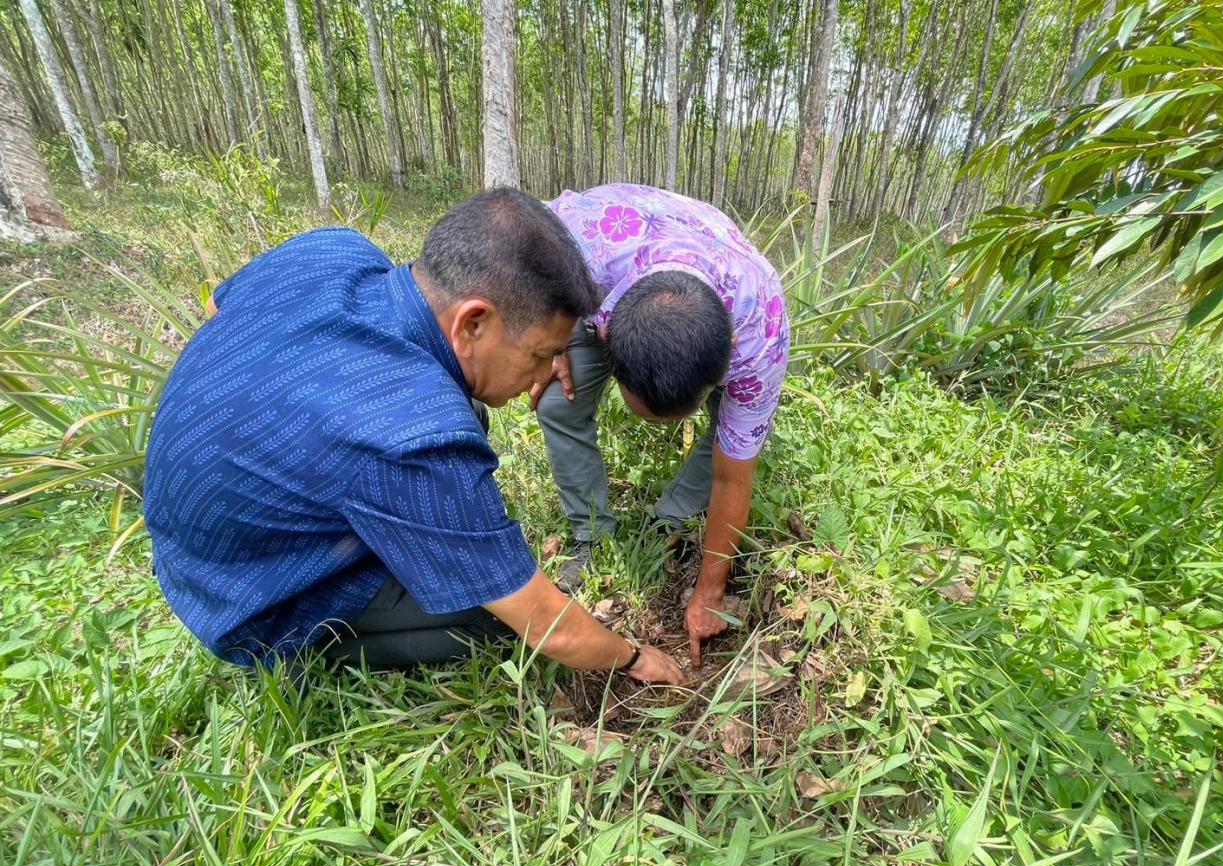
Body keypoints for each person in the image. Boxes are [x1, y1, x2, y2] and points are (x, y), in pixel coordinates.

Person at [143, 188, 684, 685]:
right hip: (247, 602)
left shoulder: (332, 251)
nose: (541, 375)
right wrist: (633, 657)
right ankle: (304, 644)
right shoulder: (416, 435)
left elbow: (218, 307)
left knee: (461, 411)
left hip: (188, 534)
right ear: (473, 323)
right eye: (540, 355)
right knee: (493, 618)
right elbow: (550, 627)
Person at [533, 184, 790, 669]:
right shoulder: (574, 240)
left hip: (716, 283)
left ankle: (666, 521)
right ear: (607, 339)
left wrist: (711, 588)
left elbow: (734, 474)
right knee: (555, 401)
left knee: (730, 438)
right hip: (613, 260)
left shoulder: (760, 335)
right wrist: (555, 343)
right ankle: (592, 536)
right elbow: (530, 277)